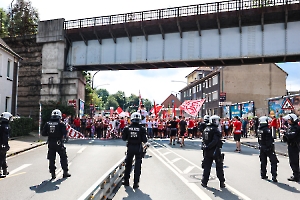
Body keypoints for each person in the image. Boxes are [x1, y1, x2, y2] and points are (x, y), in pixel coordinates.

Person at [42, 109, 71, 180]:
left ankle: (52, 173)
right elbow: (65, 133)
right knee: (63, 157)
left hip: (51, 143)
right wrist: (65, 138)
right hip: (59, 142)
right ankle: (65, 172)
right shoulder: (61, 123)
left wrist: (50, 134)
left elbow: (43, 133)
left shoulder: (47, 123)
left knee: (51, 158)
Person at [122, 112, 147, 189]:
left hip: (130, 147)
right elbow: (145, 140)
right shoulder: (142, 129)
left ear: (131, 119)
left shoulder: (127, 128)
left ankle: (126, 181)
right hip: (138, 148)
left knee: (128, 164)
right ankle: (136, 183)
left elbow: (124, 138)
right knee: (137, 166)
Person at [201, 115, 225, 188]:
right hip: (215, 150)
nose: (217, 122)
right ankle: (221, 182)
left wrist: (206, 147)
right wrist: (210, 146)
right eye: (216, 120)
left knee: (207, 167)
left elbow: (204, 140)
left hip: (207, 151)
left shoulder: (206, 129)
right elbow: (215, 140)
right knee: (219, 167)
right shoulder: (215, 129)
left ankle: (204, 182)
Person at [258, 116, 279, 182]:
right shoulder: (267, 130)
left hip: (262, 147)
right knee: (273, 162)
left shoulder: (259, 129)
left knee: (263, 162)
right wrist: (270, 147)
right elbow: (269, 139)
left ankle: (263, 174)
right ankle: (274, 176)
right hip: (268, 148)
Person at [282, 113, 300, 182]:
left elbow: (292, 135)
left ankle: (296, 176)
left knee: (294, 161)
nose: (288, 121)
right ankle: (297, 175)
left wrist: (285, 133)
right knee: (293, 161)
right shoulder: (291, 126)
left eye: (289, 120)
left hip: (294, 146)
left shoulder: (295, 127)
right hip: (291, 145)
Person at [0, 112, 12, 178]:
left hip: (1, 144)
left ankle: (5, 170)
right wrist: (5, 145)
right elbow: (5, 137)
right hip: (2, 144)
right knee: (1, 158)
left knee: (3, 157)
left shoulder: (1, 125)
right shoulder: (6, 126)